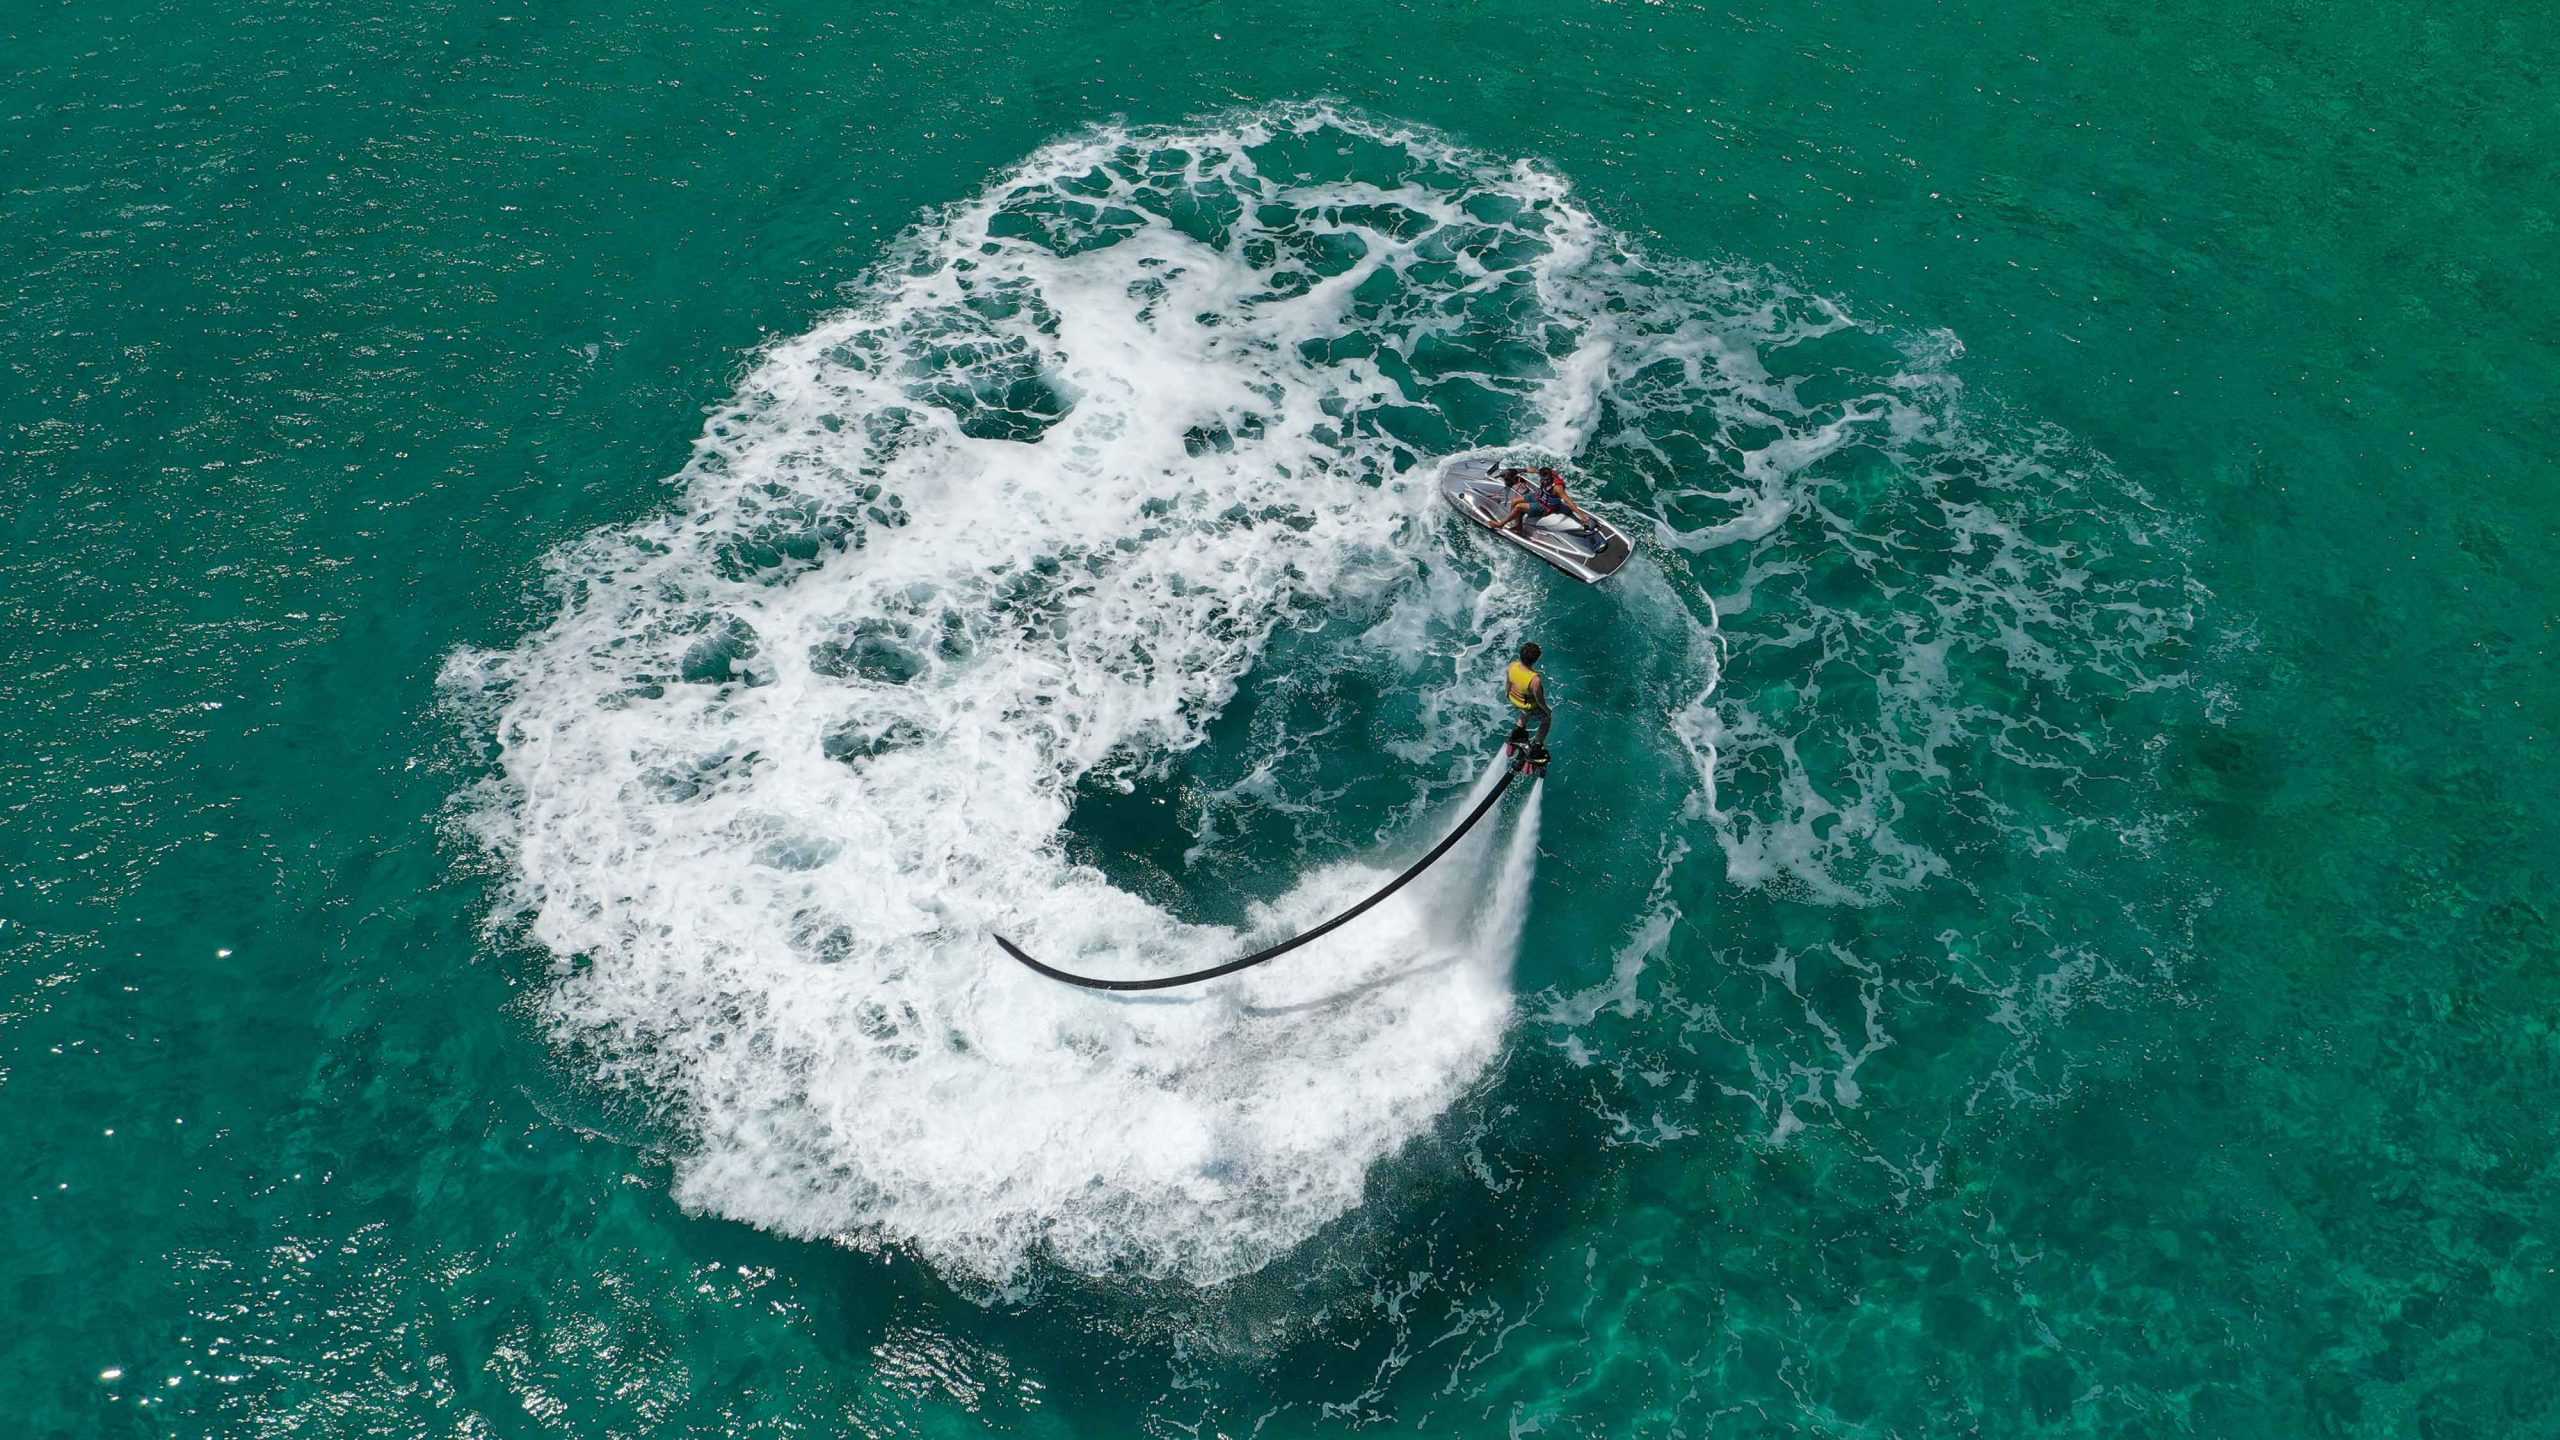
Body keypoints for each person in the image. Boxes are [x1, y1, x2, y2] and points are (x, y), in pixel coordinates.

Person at [1494, 466, 1602, 542]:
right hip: (1538, 496)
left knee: (1518, 507)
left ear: (1551, 476)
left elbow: (1568, 501)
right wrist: (1516, 471)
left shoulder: (1557, 487)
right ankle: (1516, 523)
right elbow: (1531, 470)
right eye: (1542, 478)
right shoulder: (1544, 473)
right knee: (1514, 501)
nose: (1544, 481)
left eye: (1546, 479)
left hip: (1546, 507)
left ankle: (1503, 524)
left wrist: (1581, 515)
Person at [1504, 641, 1552, 754]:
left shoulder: (1512, 666)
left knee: (1525, 712)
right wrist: (1547, 710)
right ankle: (1537, 745)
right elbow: (1539, 700)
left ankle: (1516, 735)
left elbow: (1508, 683)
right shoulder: (1534, 680)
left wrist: (1507, 695)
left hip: (1513, 698)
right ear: (1536, 660)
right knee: (1546, 720)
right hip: (1527, 705)